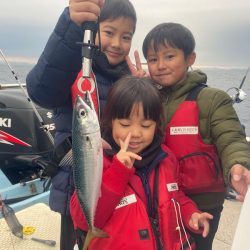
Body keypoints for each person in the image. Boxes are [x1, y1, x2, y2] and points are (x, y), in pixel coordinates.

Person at [127, 22, 250, 250]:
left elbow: (231, 136)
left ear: (190, 58)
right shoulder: (147, 98)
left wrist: (238, 164)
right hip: (158, 197)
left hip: (204, 204)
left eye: (169, 56)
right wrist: (139, 88)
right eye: (153, 59)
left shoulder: (213, 99)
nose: (160, 66)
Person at [26, 0, 137, 249]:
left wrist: (145, 88)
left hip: (118, 188)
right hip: (73, 190)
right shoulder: (73, 67)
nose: (117, 43)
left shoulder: (128, 77)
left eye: (126, 36)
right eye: (109, 32)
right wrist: (71, 26)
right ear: (93, 31)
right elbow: (40, 90)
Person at [70, 75, 213, 250]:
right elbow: (83, 220)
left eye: (145, 126)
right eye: (124, 124)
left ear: (156, 125)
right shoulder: (99, 161)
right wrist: (118, 172)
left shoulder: (166, 158)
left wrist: (191, 213)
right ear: (110, 122)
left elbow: (176, 197)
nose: (136, 133)